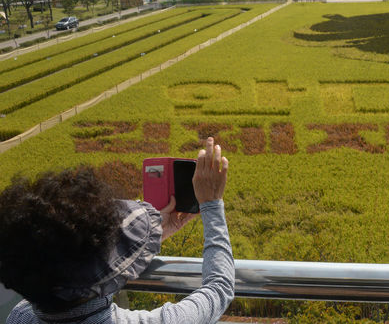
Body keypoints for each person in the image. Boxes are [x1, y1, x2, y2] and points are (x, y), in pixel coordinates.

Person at [0, 137, 233, 324]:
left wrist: (155, 233)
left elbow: (68, 269)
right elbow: (219, 288)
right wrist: (212, 205)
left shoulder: (20, 316)